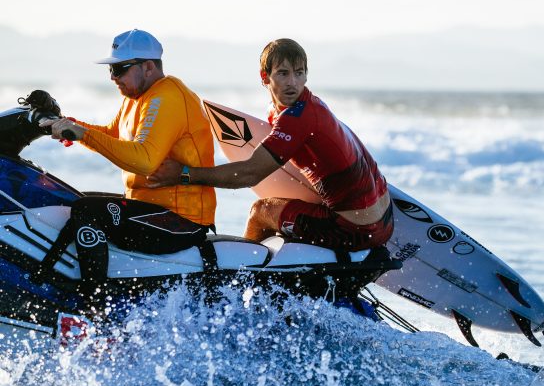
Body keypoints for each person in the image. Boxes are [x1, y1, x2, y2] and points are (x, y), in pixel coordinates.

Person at [148, 38, 393, 252]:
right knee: (281, 214)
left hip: (355, 230)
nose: (292, 83)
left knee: (261, 212)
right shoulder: (315, 107)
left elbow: (249, 174)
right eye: (283, 73)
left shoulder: (297, 118)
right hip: (386, 218)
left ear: (306, 75)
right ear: (265, 77)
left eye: (299, 73)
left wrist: (184, 174)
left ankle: (241, 284)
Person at [37, 29, 216, 302]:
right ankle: (44, 277)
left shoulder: (166, 97)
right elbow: (111, 134)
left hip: (181, 221)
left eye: (119, 69)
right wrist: (68, 124)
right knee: (70, 201)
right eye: (110, 69)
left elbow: (144, 160)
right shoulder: (136, 99)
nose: (112, 78)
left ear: (148, 67)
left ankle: (94, 303)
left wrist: (82, 134)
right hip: (152, 210)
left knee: (87, 211)